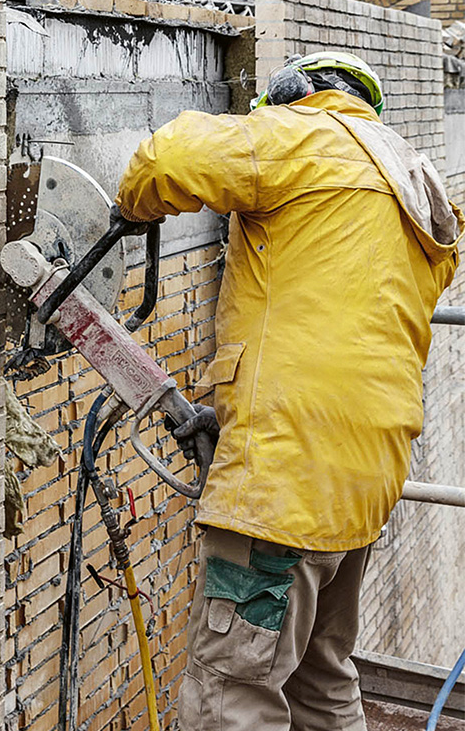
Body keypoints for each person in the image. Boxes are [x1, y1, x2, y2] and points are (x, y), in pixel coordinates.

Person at [113, 51, 463, 731]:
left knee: (233, 692)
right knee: (319, 679)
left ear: (293, 92)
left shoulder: (300, 134)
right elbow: (337, 314)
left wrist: (131, 210)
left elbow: (162, 164)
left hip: (285, 479)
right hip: (365, 476)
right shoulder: (413, 183)